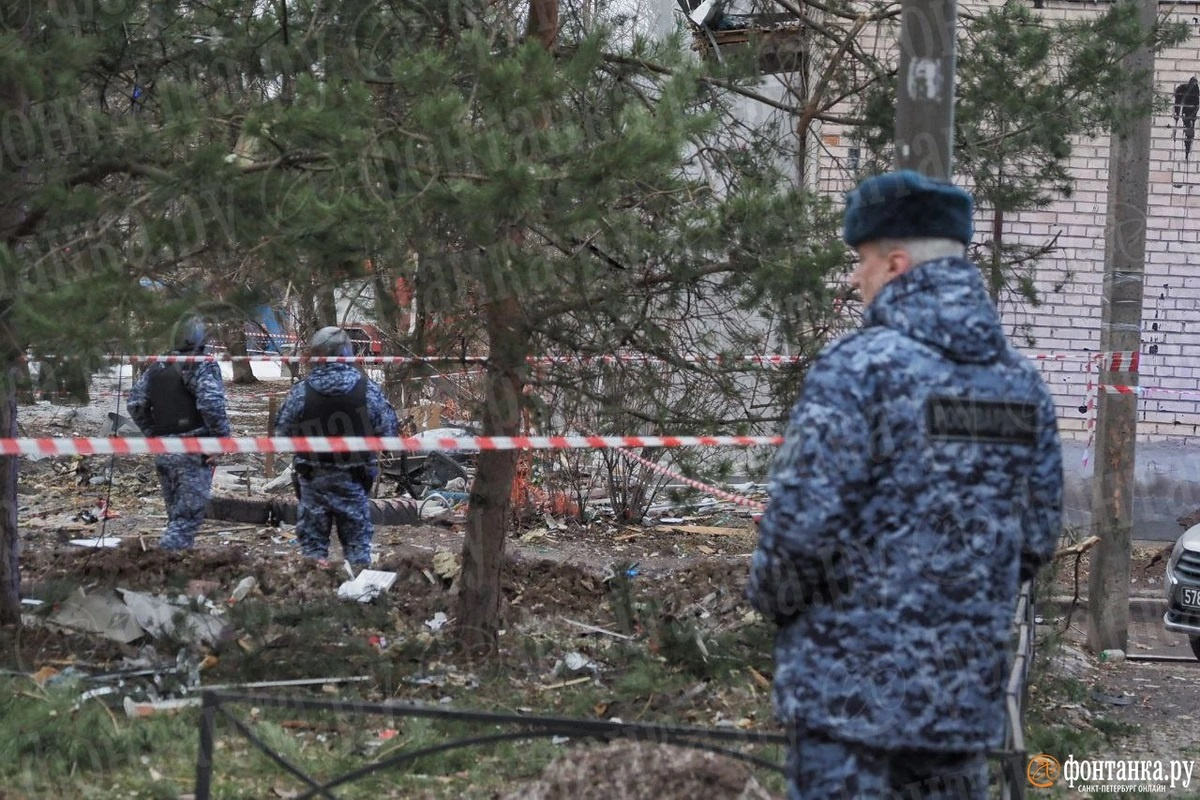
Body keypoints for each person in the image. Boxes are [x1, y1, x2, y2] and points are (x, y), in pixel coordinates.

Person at [747, 170, 1064, 800]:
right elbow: (1034, 542)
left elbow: (796, 534)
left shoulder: (857, 370)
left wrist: (777, 606)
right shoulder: (1022, 387)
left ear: (895, 264)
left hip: (848, 714)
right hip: (959, 714)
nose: (853, 279)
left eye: (860, 261)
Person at [274, 326, 399, 567]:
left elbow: (281, 433)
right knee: (357, 550)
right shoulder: (368, 391)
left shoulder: (302, 391)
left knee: (312, 550)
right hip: (353, 481)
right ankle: (359, 597)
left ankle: (313, 597)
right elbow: (389, 431)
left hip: (313, 482)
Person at [126, 317, 231, 551]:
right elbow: (211, 404)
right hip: (193, 450)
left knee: (177, 517)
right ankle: (163, 562)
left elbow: (135, 404)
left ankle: (175, 568)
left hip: (165, 450)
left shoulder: (159, 365)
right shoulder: (201, 364)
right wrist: (221, 439)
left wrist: (154, 434)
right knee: (186, 520)